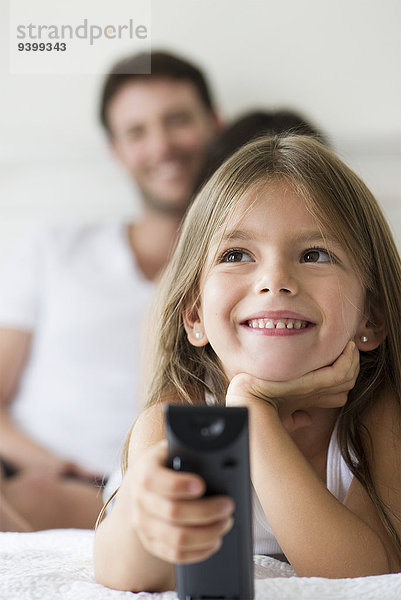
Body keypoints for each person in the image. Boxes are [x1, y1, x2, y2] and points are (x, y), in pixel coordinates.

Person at [94, 134, 401, 591]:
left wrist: (254, 411)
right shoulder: (177, 420)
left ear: (371, 318)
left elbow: (366, 574)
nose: (275, 280)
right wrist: (145, 511)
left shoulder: (376, 418)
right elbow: (133, 574)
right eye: (236, 255)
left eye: (314, 254)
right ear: (195, 315)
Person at [0, 50, 220, 531]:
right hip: (28, 471)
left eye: (177, 120)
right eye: (137, 132)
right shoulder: (54, 248)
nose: (161, 146)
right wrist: (45, 466)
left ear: (214, 125)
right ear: (116, 151)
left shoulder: (242, 277)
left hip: (145, 491)